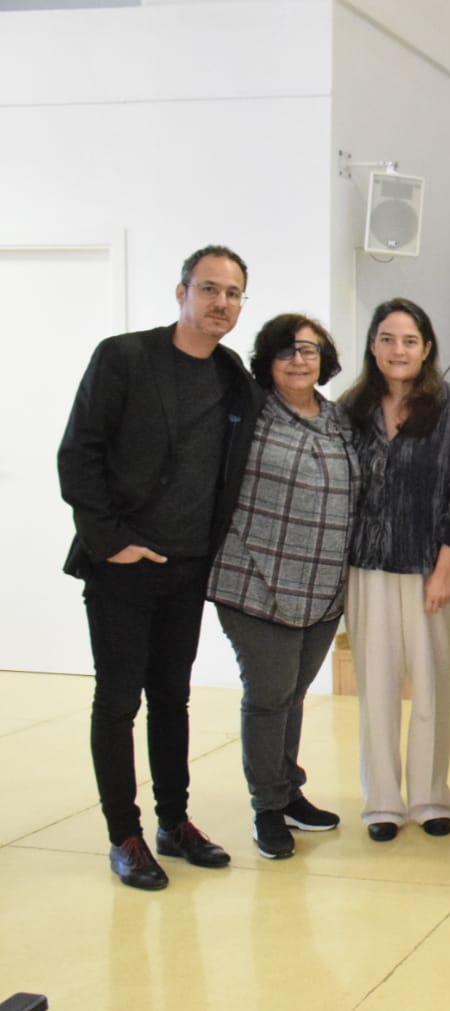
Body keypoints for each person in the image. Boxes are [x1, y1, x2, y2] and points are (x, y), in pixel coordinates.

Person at [58, 244, 255, 891]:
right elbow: (78, 454)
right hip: (123, 564)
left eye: (232, 293)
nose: (220, 302)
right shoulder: (125, 358)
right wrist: (110, 539)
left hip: (189, 565)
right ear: (182, 293)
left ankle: (175, 823)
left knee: (173, 697)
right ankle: (125, 834)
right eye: (209, 289)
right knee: (118, 702)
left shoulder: (233, 376)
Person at [209, 313, 356, 860]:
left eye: (310, 351)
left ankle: (290, 790)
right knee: (269, 696)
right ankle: (267, 808)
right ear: (268, 359)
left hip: (321, 588)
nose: (299, 360)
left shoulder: (340, 420)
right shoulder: (248, 412)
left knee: (293, 696)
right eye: (287, 350)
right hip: (255, 581)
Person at [341, 298, 450, 843]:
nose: (399, 350)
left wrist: (446, 565)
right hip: (366, 568)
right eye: (388, 339)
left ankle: (429, 795)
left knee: (431, 685)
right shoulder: (348, 410)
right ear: (373, 346)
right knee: (375, 686)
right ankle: (382, 802)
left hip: (431, 567)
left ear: (426, 349)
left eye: (410, 341)